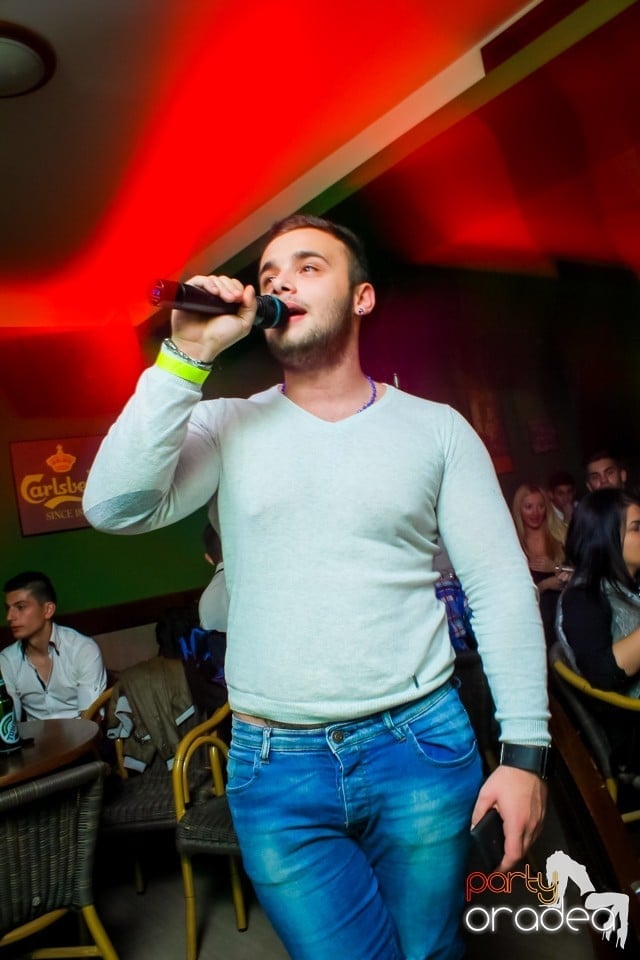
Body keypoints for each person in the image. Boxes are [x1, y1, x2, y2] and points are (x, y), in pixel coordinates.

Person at [83, 214, 549, 960]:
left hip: (420, 746)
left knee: (430, 952)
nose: (280, 283)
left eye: (307, 267)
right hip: (275, 765)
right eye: (269, 275)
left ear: (362, 297)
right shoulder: (224, 424)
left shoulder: (437, 430)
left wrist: (526, 755)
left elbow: (498, 587)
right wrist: (185, 356)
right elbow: (113, 507)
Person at [556, 488, 640, 770]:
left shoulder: (628, 583)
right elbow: (603, 673)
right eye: (637, 528)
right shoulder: (582, 598)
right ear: (606, 536)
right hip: (631, 736)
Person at [1, 570, 107, 721]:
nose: (9, 617)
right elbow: (9, 722)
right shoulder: (7, 660)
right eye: (8, 608)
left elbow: (90, 720)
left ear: (48, 610)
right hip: (35, 736)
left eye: (21, 607)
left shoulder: (82, 649)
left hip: (81, 733)